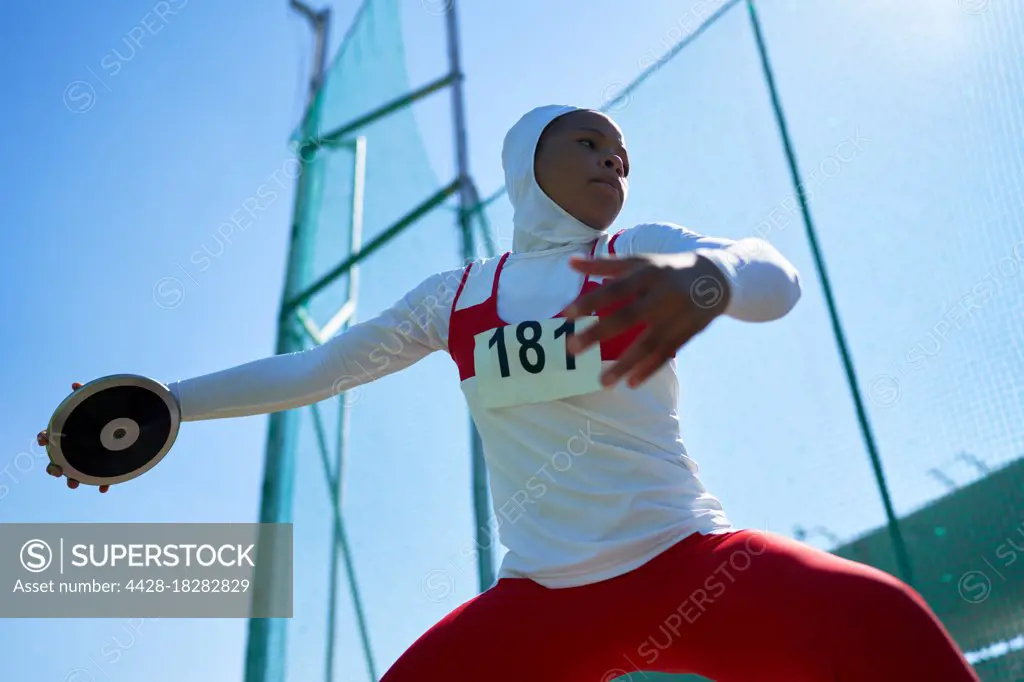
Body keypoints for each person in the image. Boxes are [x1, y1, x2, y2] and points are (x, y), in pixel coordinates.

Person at [38, 105, 979, 681]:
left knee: (879, 622)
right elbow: (315, 373)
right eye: (588, 141)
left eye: (621, 150)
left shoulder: (637, 250)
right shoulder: (456, 297)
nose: (615, 159)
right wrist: (166, 403)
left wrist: (706, 282)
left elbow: (773, 277)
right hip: (543, 605)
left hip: (692, 566)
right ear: (529, 161)